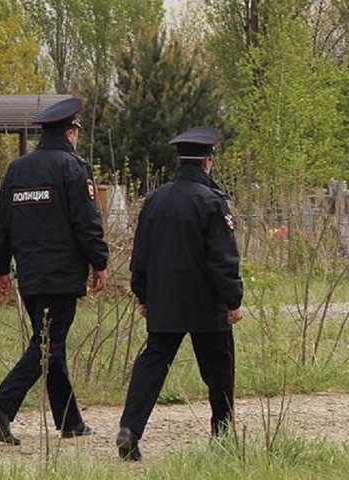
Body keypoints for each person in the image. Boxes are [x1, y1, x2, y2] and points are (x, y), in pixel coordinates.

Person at [0, 97, 109, 445]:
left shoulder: (17, 169)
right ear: (71, 133)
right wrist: (100, 262)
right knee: (47, 345)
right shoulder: (73, 168)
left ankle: (70, 420)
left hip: (31, 275)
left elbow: (1, 224)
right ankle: (2, 404)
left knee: (51, 344)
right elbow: (86, 222)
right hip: (62, 274)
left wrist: (0, 267)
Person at [116, 126, 243, 461]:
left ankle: (130, 428)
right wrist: (233, 299)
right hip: (205, 303)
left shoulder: (156, 199)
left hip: (164, 300)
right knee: (218, 368)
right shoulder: (212, 202)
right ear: (207, 163)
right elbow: (223, 258)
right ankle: (223, 434)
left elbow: (139, 254)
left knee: (153, 363)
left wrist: (142, 294)